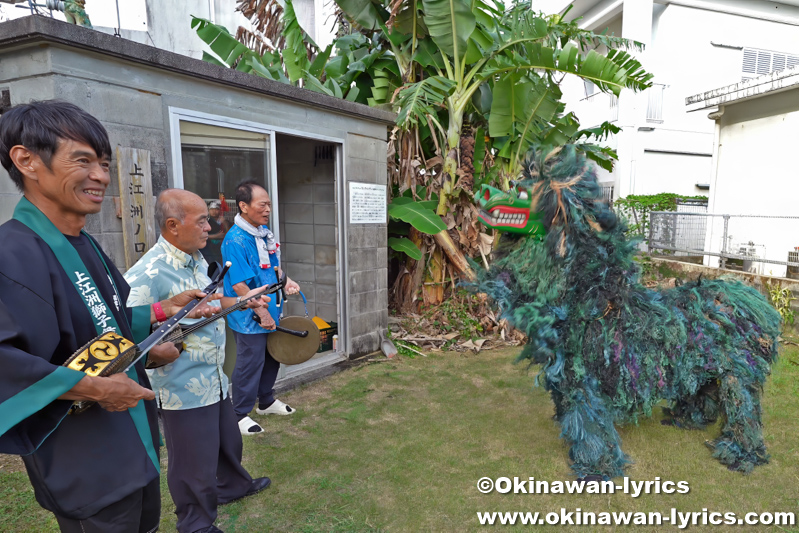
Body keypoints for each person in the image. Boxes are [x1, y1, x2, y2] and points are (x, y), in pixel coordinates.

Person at [0, 100, 220, 532]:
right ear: (26, 159)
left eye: (103, 163)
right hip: (85, 460)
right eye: (82, 161)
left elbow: (105, 320)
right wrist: (98, 390)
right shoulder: (11, 252)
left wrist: (160, 312)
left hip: (131, 442)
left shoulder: (84, 243)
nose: (100, 176)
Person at [125, 189, 272, 533]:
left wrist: (241, 302)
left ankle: (231, 487)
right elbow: (121, 327)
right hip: (181, 386)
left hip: (213, 376)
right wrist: (150, 354)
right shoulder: (148, 273)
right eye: (203, 220)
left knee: (225, 441)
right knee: (193, 462)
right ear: (173, 225)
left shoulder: (195, 259)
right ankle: (195, 523)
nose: (211, 226)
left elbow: (206, 304)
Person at [222, 180, 301, 435]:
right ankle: (239, 413)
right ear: (244, 206)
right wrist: (262, 313)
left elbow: (273, 266)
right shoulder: (235, 239)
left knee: (272, 356)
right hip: (249, 313)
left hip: (271, 307)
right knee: (250, 361)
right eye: (262, 204)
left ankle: (265, 401)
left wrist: (287, 281)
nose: (268, 209)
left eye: (269, 204)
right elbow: (239, 286)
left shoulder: (263, 232)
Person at [199, 200, 227, 265]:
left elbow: (227, 231)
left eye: (216, 209)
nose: (214, 211)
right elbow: (200, 236)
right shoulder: (206, 221)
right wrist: (216, 236)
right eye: (212, 209)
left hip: (219, 250)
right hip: (208, 250)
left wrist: (224, 222)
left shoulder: (223, 221)